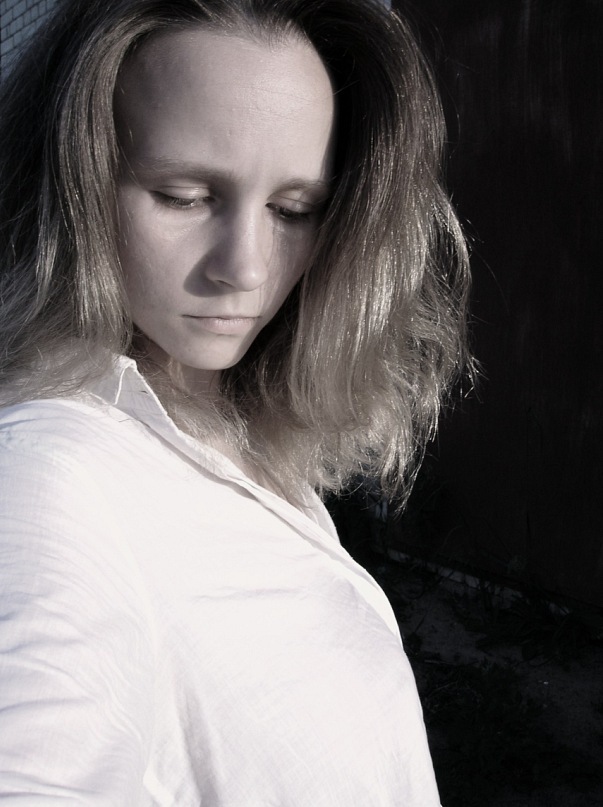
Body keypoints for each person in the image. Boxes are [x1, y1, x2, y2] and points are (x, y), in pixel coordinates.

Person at [0, 0, 470, 804]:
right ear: (69, 184)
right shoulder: (46, 478)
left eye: (293, 210)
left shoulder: (227, 431)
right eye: (183, 195)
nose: (245, 268)